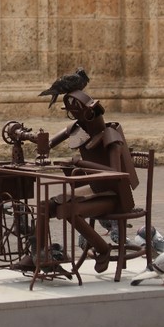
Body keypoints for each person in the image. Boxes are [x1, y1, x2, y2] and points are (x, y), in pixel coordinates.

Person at [37, 89, 139, 273]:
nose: (77, 122)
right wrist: (40, 144)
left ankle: (102, 248)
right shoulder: (79, 129)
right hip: (94, 189)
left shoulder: (110, 136)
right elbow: (50, 142)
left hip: (114, 197)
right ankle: (39, 255)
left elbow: (116, 173)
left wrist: (81, 162)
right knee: (44, 206)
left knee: (68, 210)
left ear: (90, 114)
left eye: (78, 116)